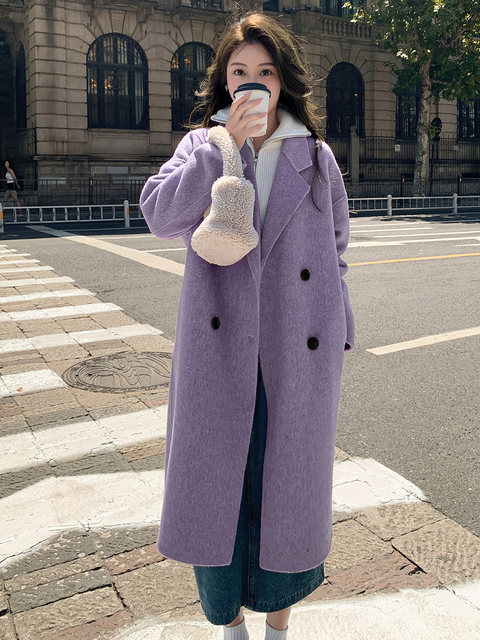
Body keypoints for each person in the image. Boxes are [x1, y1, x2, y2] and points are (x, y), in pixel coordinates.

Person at [140, 11, 354, 640]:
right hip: (219, 348)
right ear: (225, 81)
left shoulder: (315, 156)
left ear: (283, 81)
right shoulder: (201, 146)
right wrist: (220, 149)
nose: (253, 83)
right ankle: (230, 625)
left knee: (288, 494)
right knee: (217, 498)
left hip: (297, 347)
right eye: (240, 72)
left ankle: (278, 629)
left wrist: (339, 325)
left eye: (265, 71)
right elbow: (159, 215)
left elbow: (337, 248)